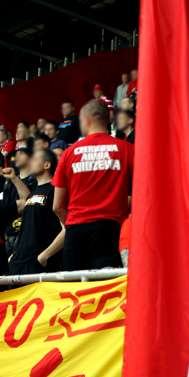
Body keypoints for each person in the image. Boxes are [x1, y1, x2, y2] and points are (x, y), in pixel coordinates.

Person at [52, 99, 134, 270]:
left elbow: (57, 206)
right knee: (105, 289)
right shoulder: (128, 149)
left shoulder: (68, 153)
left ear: (86, 120)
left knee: (74, 292)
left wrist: (72, 225)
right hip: (110, 230)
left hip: (75, 230)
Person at [2, 150, 65, 274]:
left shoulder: (56, 190)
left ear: (47, 165)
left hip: (39, 264)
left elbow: (67, 228)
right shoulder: (33, 192)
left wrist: (44, 256)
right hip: (18, 262)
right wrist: (14, 256)